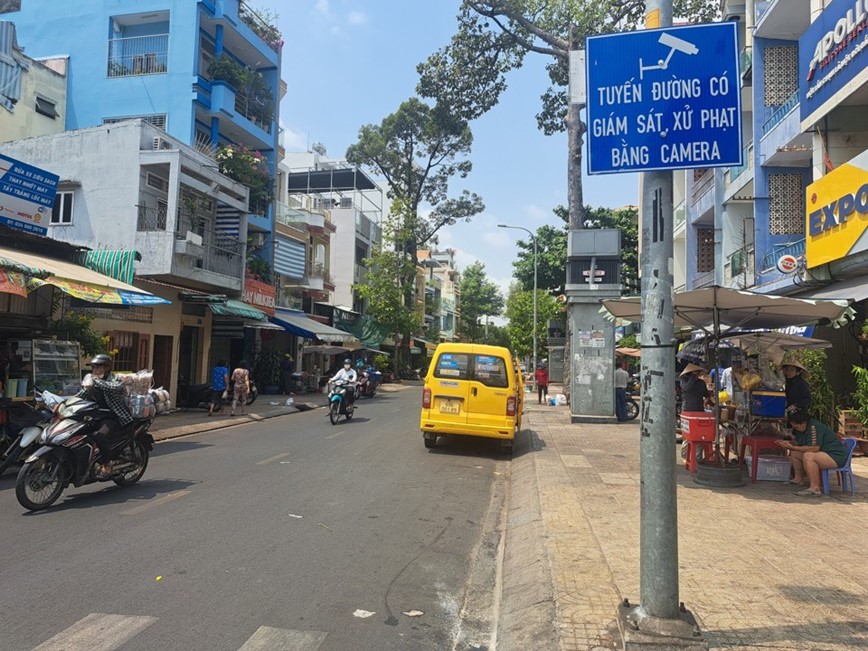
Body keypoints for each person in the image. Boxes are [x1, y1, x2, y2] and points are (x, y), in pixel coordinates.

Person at [78, 354, 134, 478]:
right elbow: (81, 395)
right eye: (93, 368)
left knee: (99, 435)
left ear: (106, 368)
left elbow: (116, 388)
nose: (94, 370)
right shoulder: (91, 381)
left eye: (97, 368)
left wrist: (96, 381)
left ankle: (106, 464)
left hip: (113, 417)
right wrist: (63, 404)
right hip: (94, 416)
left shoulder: (114, 379)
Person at [777, 409, 847, 496]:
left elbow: (814, 448)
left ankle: (815, 488)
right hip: (823, 454)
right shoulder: (802, 429)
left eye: (797, 427)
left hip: (835, 456)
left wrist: (793, 447)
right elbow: (798, 443)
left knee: (809, 456)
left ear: (804, 423)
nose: (796, 429)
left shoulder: (814, 428)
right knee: (795, 453)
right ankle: (798, 479)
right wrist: (788, 443)